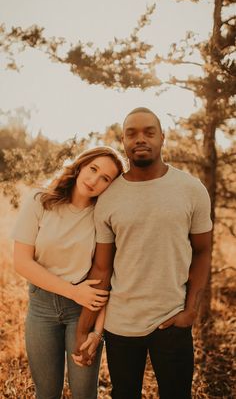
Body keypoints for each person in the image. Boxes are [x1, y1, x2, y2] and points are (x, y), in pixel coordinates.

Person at [73, 108, 213, 399]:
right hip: (121, 323)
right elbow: (102, 269)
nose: (140, 139)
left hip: (172, 319)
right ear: (123, 141)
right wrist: (82, 329)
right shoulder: (109, 197)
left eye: (149, 132)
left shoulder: (191, 189)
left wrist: (190, 310)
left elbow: (202, 251)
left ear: (162, 137)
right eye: (131, 133)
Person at [12, 146, 125, 399]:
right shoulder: (40, 201)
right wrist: (73, 292)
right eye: (93, 169)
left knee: (85, 393)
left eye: (105, 178)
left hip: (82, 311)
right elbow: (21, 262)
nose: (94, 180)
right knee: (47, 392)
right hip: (42, 308)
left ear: (111, 186)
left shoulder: (102, 216)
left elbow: (106, 278)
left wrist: (97, 332)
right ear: (81, 165)